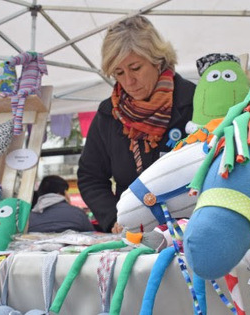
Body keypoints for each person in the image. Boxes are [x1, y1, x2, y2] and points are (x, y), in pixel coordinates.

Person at [77, 16, 196, 233]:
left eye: (135, 68)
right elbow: (90, 176)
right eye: (119, 73)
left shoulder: (192, 101)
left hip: (190, 227)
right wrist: (114, 219)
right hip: (132, 232)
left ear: (157, 60)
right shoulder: (109, 114)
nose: (129, 81)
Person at [28, 175, 94, 233]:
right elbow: (92, 236)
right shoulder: (78, 213)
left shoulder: (28, 219)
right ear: (62, 192)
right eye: (67, 192)